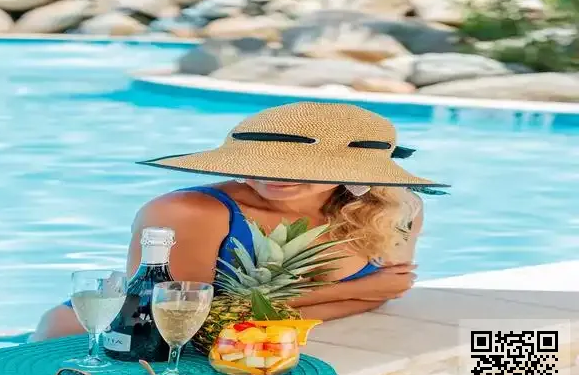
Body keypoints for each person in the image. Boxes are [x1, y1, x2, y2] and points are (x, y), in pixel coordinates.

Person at [30, 101, 449, 342]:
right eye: (253, 162)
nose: (269, 177)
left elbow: (381, 297)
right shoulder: (190, 211)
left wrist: (361, 295)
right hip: (98, 339)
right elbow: (172, 318)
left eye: (300, 166)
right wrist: (350, 291)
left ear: (357, 171)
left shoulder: (393, 209)